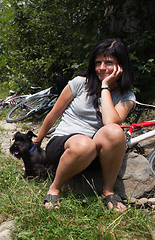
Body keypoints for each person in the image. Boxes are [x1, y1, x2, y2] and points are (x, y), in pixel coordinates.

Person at [33, 39, 136, 212]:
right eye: (98, 63)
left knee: (115, 131)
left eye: (109, 63)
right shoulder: (80, 83)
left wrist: (105, 87)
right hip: (64, 147)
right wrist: (37, 141)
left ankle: (108, 191)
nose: (102, 67)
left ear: (121, 66)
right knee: (84, 145)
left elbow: (110, 122)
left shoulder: (127, 96)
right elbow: (54, 114)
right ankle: (55, 188)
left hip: (95, 153)